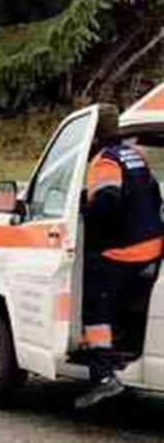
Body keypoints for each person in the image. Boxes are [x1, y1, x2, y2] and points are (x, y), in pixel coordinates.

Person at [76, 106, 164, 409]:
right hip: (152, 248)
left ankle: (103, 377)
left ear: (94, 136)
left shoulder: (105, 162)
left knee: (92, 306)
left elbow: (106, 201)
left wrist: (85, 217)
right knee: (118, 299)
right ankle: (115, 350)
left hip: (124, 252)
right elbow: (154, 195)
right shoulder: (134, 155)